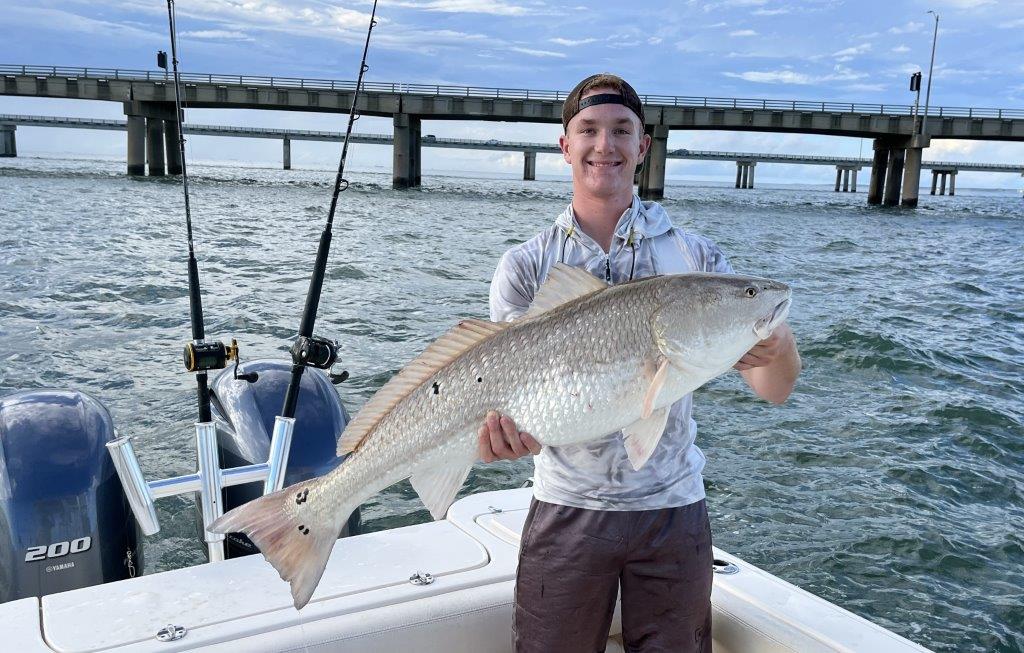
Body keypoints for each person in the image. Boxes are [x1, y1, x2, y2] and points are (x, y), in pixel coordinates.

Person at [478, 73, 802, 653]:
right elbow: (498, 404)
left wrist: (776, 346)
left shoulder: (695, 259)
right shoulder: (526, 266)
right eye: (590, 131)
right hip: (565, 508)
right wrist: (495, 439)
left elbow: (775, 389)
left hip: (674, 512)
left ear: (643, 146)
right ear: (565, 145)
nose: (606, 145)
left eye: (622, 130)